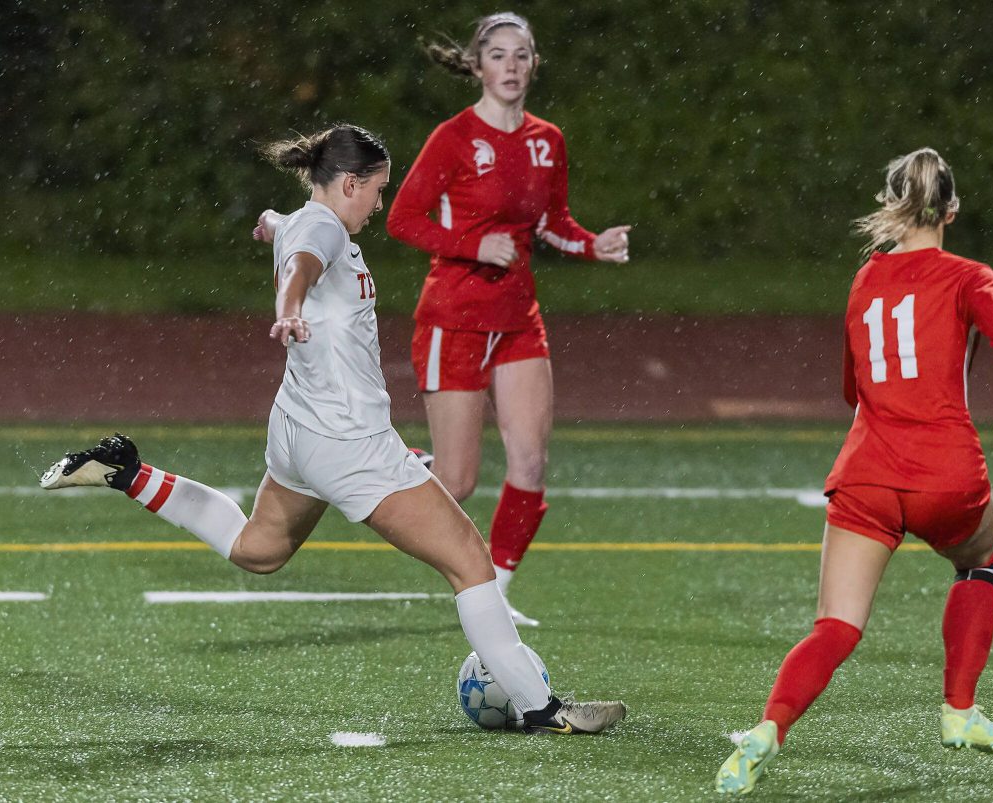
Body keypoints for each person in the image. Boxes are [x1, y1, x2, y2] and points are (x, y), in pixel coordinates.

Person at [40, 123, 625, 736]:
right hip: (350, 444)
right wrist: (288, 308)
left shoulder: (300, 217)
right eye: (376, 190)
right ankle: (543, 711)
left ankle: (127, 470)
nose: (379, 204)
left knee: (257, 551)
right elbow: (303, 263)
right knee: (471, 565)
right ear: (349, 182)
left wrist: (270, 224)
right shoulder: (320, 229)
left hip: (298, 430)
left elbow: (283, 229)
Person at [715, 148, 993, 795]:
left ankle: (767, 730)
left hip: (867, 473)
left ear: (891, 206)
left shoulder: (865, 281)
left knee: (836, 625)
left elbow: (852, 390)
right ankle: (959, 712)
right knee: (981, 557)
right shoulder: (968, 276)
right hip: (946, 475)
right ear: (952, 210)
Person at [385, 12, 631, 627]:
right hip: (454, 320)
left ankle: (493, 590)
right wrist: (472, 245)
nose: (511, 67)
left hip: (519, 320)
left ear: (534, 65)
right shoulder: (453, 138)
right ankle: (401, 468)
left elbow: (551, 222)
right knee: (457, 482)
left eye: (522, 55)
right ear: (477, 66)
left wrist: (592, 245)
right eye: (498, 55)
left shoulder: (547, 139)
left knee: (529, 463)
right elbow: (401, 220)